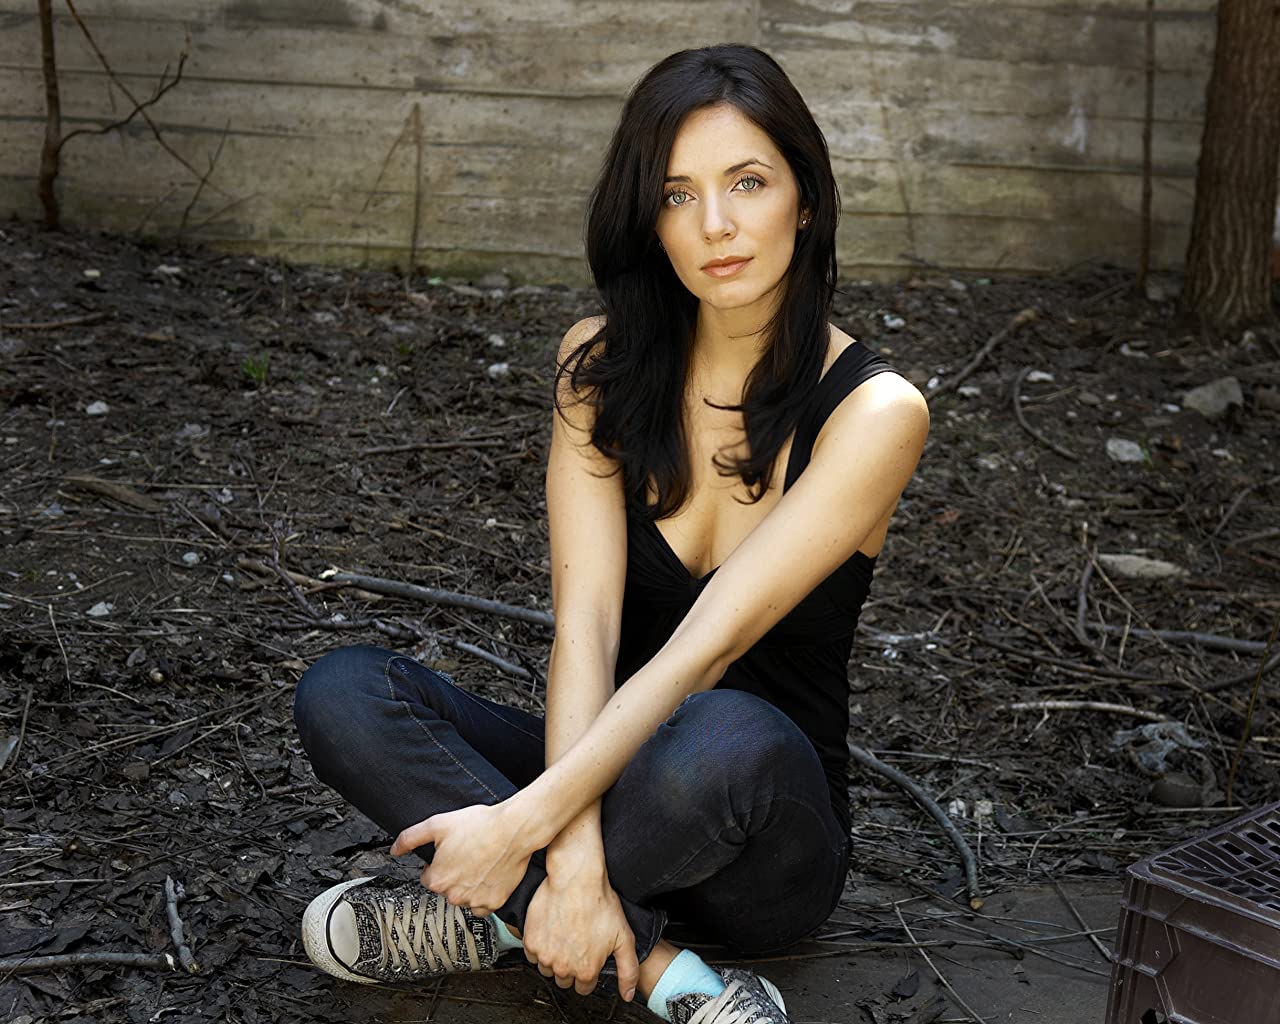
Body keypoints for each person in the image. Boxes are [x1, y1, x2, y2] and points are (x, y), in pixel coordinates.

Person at [292, 43, 929, 1024]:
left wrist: (525, 824)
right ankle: (657, 968)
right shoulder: (597, 366)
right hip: (610, 783)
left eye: (747, 182)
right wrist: (572, 849)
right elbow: (584, 626)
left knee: (724, 729)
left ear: (804, 198)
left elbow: (702, 649)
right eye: (677, 195)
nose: (714, 225)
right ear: (648, 219)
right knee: (345, 692)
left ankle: (500, 914)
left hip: (759, 831)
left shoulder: (874, 412)